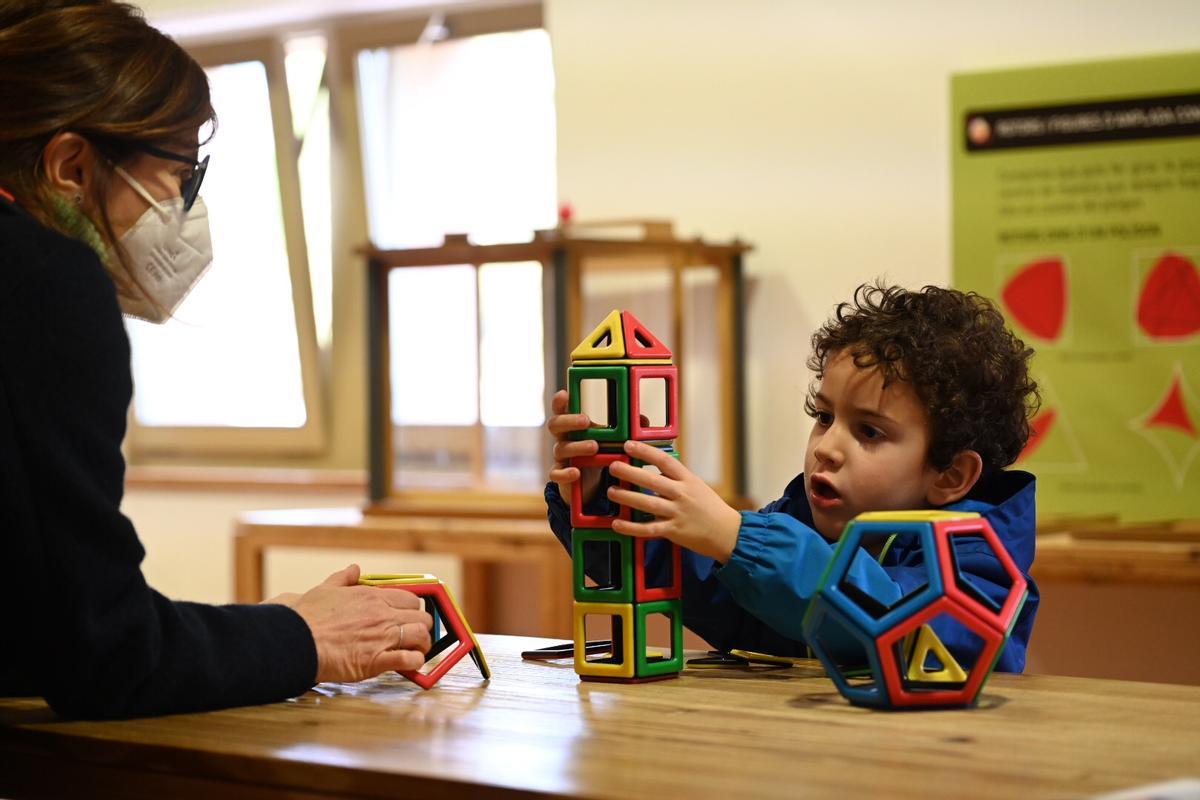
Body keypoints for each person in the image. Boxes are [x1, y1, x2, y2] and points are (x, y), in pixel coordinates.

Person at [0, 0, 432, 719]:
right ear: (72, 164)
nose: (182, 208)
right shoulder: (42, 281)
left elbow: (29, 625)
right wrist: (298, 636)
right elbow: (104, 655)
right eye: (179, 177)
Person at [546, 282, 1041, 671]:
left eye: (868, 431)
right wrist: (599, 500)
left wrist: (739, 540)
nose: (826, 448)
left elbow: (895, 619)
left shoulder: (980, 569)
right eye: (824, 416)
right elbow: (695, 581)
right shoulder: (801, 523)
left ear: (950, 475)